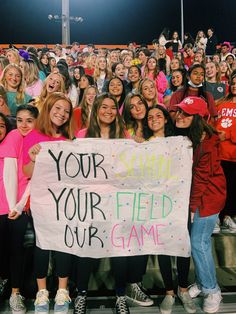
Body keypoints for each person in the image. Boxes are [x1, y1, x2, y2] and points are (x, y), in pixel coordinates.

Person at [22, 92, 75, 314]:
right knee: (41, 247)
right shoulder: (33, 136)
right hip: (40, 204)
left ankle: (62, 292)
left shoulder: (69, 141)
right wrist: (34, 159)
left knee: (63, 245)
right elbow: (26, 172)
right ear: (48, 108)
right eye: (58, 108)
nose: (62, 114)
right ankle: (42, 293)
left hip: (63, 204)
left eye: (66, 111)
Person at [174, 96, 226, 314]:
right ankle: (204, 281)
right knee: (198, 243)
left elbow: (201, 179)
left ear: (197, 118)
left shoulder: (205, 143)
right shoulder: (194, 136)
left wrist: (192, 208)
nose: (179, 115)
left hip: (208, 198)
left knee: (199, 244)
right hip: (202, 196)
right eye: (179, 111)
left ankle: (212, 290)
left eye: (186, 113)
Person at [143, 105, 196, 314]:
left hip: (179, 202)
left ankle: (183, 289)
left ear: (166, 119)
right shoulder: (143, 145)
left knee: (182, 246)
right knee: (163, 248)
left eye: (158, 116)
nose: (154, 119)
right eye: (150, 117)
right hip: (156, 204)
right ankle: (169, 292)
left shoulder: (182, 142)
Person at [0, 104, 39, 314]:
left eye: (29, 121)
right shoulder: (14, 135)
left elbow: (33, 178)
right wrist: (13, 205)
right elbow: (9, 174)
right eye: (21, 120)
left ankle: (16, 293)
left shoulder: (39, 141)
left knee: (17, 247)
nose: (24, 125)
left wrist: (19, 205)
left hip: (24, 203)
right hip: (9, 203)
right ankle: (7, 282)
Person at [215, 73, 236, 232]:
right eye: (233, 83)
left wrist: (227, 135)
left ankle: (228, 217)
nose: (234, 86)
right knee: (218, 187)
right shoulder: (221, 103)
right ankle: (216, 216)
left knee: (231, 187)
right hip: (218, 152)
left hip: (233, 155)